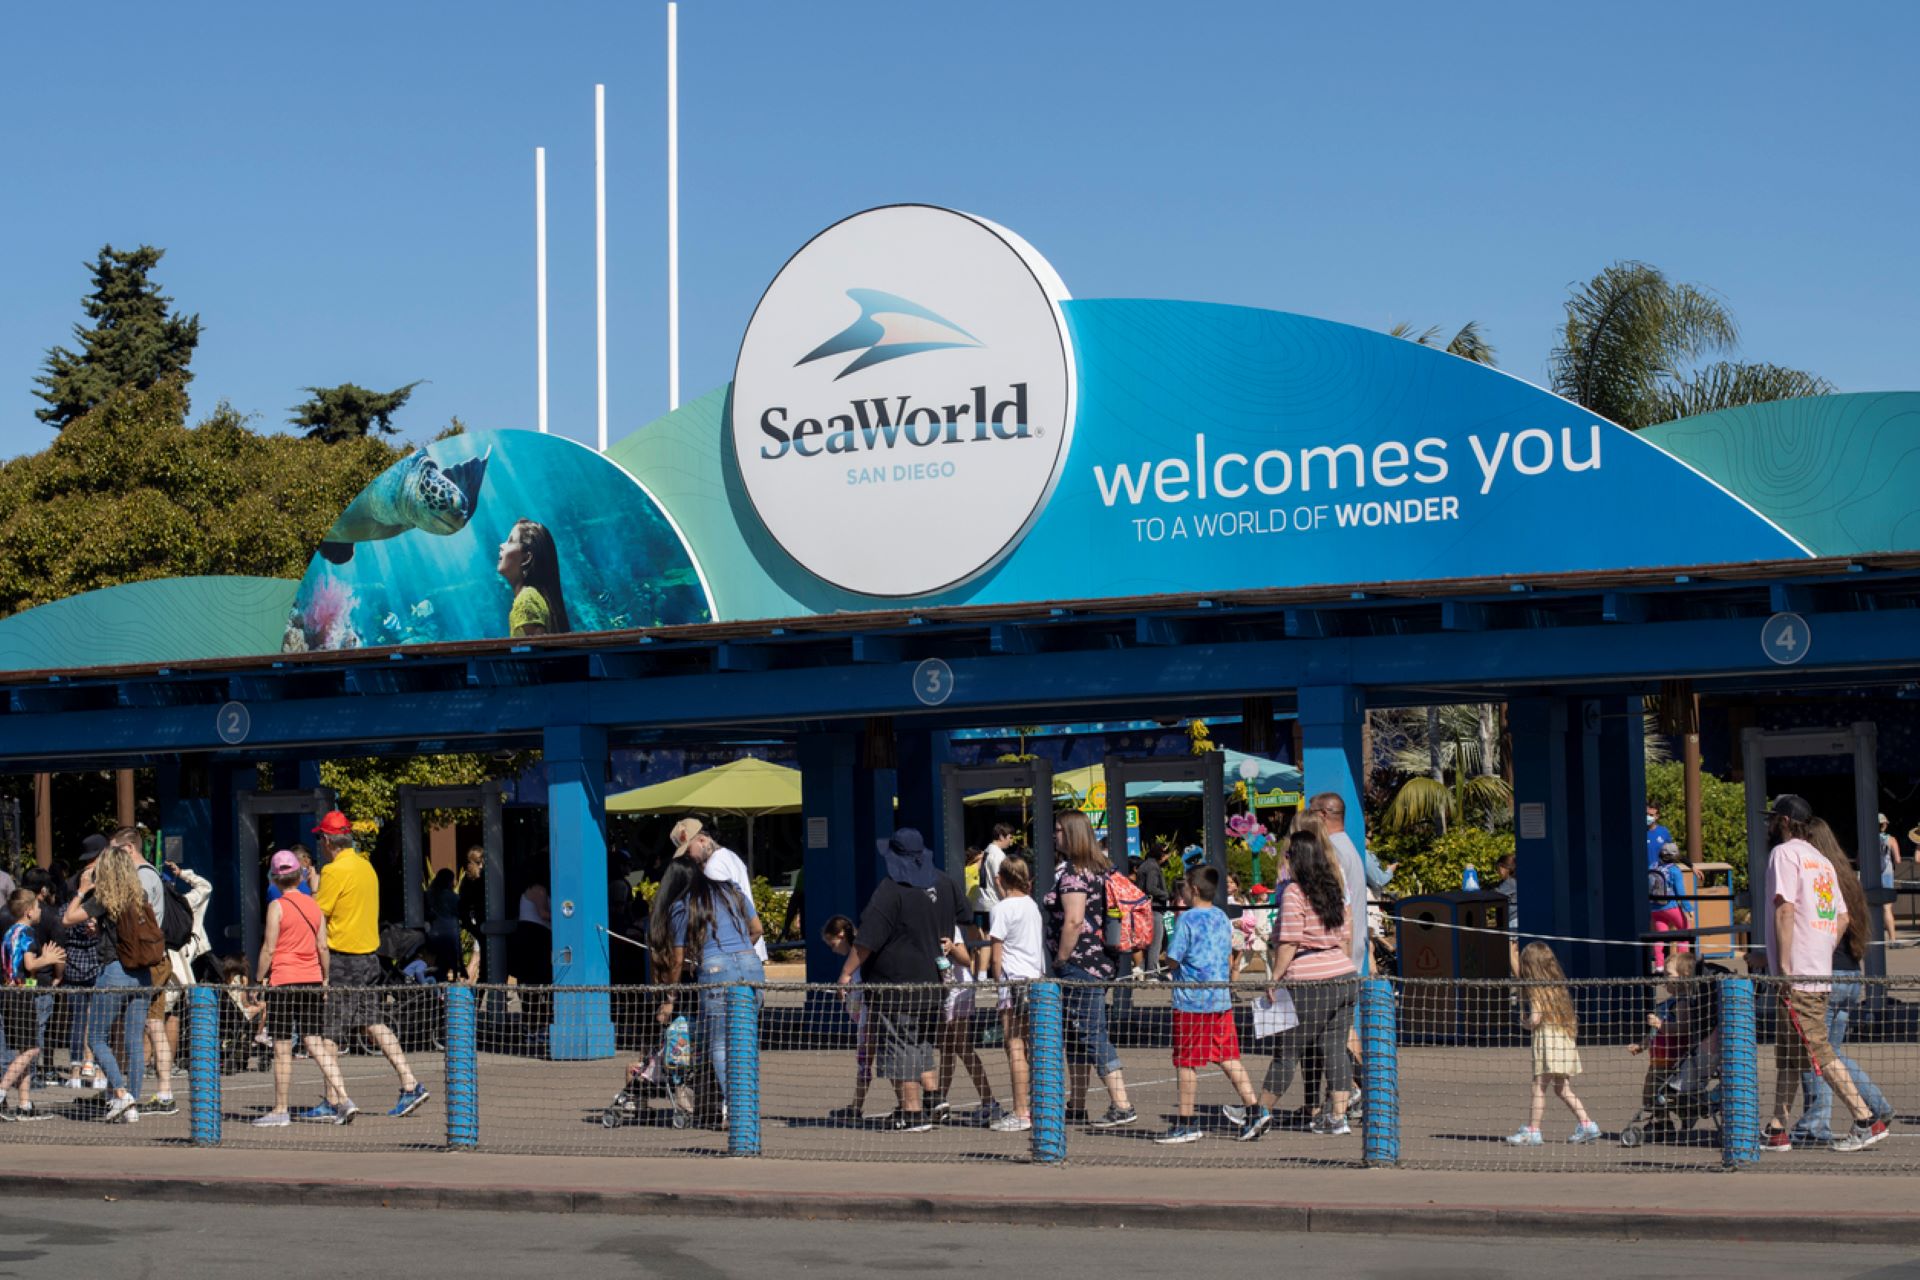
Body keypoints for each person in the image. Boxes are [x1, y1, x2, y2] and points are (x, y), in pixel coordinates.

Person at [1759, 794, 1885, 1152]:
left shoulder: (1784, 854)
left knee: (1817, 1049)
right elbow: (1841, 917)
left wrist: (1785, 964)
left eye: (1773, 819)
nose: (1769, 825)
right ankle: (1777, 1128)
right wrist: (1820, 946)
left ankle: (1866, 1119)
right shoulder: (1822, 861)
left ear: (1784, 821)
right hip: (1818, 968)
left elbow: (1785, 908)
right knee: (1790, 1052)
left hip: (1796, 971)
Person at [837, 828, 966, 1133]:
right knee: (920, 1041)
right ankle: (933, 1099)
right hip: (934, 979)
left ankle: (912, 1112)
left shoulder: (891, 889)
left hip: (895, 983)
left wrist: (846, 973)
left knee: (898, 1045)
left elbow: (867, 939)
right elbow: (966, 918)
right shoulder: (944, 882)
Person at [310, 811, 429, 1120]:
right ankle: (410, 1082)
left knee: (330, 1034)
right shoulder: (366, 867)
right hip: (369, 958)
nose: (319, 845)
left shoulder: (334, 871)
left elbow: (317, 915)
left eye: (319, 838)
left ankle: (334, 1100)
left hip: (343, 958)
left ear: (327, 840)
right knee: (374, 1022)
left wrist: (313, 888)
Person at [1241, 830, 1359, 1137]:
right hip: (1343, 975)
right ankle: (1338, 1116)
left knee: (1287, 1052)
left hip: (1309, 980)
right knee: (1334, 1048)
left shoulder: (1295, 892)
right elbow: (1345, 934)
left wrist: (1275, 977)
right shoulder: (1332, 886)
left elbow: (1289, 940)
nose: (1285, 860)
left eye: (1288, 855)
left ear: (1297, 859)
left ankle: (1261, 1112)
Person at [1790, 818, 1895, 1147]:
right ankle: (1876, 1107)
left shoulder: (1816, 874)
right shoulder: (1845, 877)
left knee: (1816, 1053)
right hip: (1850, 972)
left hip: (1827, 974)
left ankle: (1816, 1122)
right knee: (1830, 1052)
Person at [1149, 866, 1261, 1144]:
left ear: (1194, 890)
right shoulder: (1221, 916)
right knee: (1227, 1056)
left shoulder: (1188, 920)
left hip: (1192, 1001)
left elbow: (1174, 956)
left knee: (1186, 1062)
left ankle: (1187, 1122)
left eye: (1185, 887)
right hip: (1219, 999)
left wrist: (1168, 965)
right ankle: (1255, 1109)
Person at [650, 854, 763, 1123]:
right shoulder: (730, 891)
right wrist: (735, 949)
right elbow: (756, 929)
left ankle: (739, 1113)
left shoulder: (682, 905)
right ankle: (748, 1105)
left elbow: (677, 960)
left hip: (716, 971)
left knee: (722, 1046)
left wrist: (669, 999)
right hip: (751, 964)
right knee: (745, 1041)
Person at [1042, 810, 1136, 1129]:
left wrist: (1060, 959)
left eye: (1058, 830)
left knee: (1091, 1032)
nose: (1055, 835)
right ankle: (1077, 1104)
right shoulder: (1100, 870)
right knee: (1077, 1033)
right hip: (1098, 964)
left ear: (1071, 834)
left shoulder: (1072, 874)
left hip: (1079, 964)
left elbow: (1073, 920)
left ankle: (1122, 1104)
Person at [61, 842, 163, 1123]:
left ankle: (120, 1093)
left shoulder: (105, 897)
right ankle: (131, 1103)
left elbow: (68, 918)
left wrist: (82, 890)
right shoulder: (138, 894)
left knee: (95, 1036)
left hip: (115, 972)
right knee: (134, 1040)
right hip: (142, 974)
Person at [253, 850, 354, 1126]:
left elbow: (269, 947)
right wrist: (324, 977)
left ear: (275, 879)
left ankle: (280, 1109)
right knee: (314, 1041)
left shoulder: (277, 906)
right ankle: (343, 1098)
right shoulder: (314, 906)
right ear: (300, 875)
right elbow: (323, 946)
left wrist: (259, 978)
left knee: (282, 1046)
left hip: (284, 981)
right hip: (311, 979)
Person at [1506, 942, 1600, 1145]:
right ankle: (1587, 1124)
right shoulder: (1556, 986)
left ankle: (1533, 1130)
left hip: (1548, 1043)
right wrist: (1511, 951)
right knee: (1562, 1088)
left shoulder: (1536, 989)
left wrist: (1526, 1023)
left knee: (1538, 1087)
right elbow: (1519, 973)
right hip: (1564, 1041)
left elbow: (1536, 1018)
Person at [987, 854, 1042, 1134]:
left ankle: (1021, 1111)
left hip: (1013, 982)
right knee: (1034, 1047)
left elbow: (996, 957)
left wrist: (998, 983)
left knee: (1015, 1046)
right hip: (1035, 980)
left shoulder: (1002, 908)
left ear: (1001, 879)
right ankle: (1040, 1106)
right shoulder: (1032, 906)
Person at [671, 818, 769, 963]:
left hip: (731, 955)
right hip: (748, 950)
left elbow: (717, 916)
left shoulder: (713, 868)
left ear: (702, 840)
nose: (688, 857)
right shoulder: (730, 855)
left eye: (688, 850)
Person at [0, 888, 60, 1120]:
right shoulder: (26, 933)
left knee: (25, 1049)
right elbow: (30, 964)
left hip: (8, 992)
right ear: (27, 912)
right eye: (36, 907)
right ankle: (2, 1090)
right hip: (22, 993)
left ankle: (25, 1105)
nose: (39, 911)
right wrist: (48, 959)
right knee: (33, 1049)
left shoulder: (9, 932)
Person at [935, 924, 999, 1124]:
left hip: (959, 990)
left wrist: (952, 948)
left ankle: (990, 1102)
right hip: (942, 992)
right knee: (946, 1048)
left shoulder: (949, 926)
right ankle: (939, 1102)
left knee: (963, 1047)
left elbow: (964, 959)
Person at [1306, 794, 1374, 970]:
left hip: (1338, 953)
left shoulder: (1332, 849)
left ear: (1322, 815)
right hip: (1350, 947)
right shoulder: (1347, 846)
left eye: (1309, 812)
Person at [820, 914, 872, 1124]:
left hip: (870, 1018)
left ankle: (913, 1103)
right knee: (867, 1063)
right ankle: (856, 1106)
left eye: (833, 944)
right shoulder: (856, 960)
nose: (833, 950)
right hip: (866, 1018)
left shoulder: (857, 959)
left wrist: (847, 990)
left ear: (841, 935)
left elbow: (860, 990)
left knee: (870, 1062)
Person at [497, 517, 572, 637]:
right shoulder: (534, 596)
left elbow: (534, 653)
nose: (501, 545)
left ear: (526, 558)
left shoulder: (527, 599)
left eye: (510, 541)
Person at [1649, 842, 1692, 971]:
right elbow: (1680, 893)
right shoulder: (1674, 870)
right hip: (1670, 906)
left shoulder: (1652, 866)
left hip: (1655, 908)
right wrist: (1689, 909)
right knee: (1684, 932)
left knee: (1660, 936)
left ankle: (1659, 966)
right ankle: (1682, 965)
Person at [1131, 839, 1169, 976]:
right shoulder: (1153, 867)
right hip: (1154, 908)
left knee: (1153, 942)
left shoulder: (1146, 865)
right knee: (1156, 943)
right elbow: (1151, 888)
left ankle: (1143, 967)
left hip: (1145, 908)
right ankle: (1151, 972)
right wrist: (1166, 895)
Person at [457, 844, 486, 982]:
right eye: (480, 862)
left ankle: (466, 996)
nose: (482, 866)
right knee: (477, 959)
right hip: (478, 923)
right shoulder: (475, 881)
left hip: (473, 924)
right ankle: (466, 996)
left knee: (476, 958)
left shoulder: (466, 880)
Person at [1876, 813, 1899, 946]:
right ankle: (1893, 940)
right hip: (1887, 875)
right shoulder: (1891, 840)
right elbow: (1897, 859)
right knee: (1887, 908)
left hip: (1871, 875)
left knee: (1872, 907)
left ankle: (1875, 938)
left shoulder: (1868, 839)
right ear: (1885, 825)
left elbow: (1859, 860)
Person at [1646, 803, 1673, 871]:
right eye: (1646, 814)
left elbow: (1673, 852)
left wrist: (1691, 866)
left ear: (1657, 816)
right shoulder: (1638, 832)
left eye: (1651, 815)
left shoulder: (1664, 831)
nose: (1647, 817)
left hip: (1660, 874)